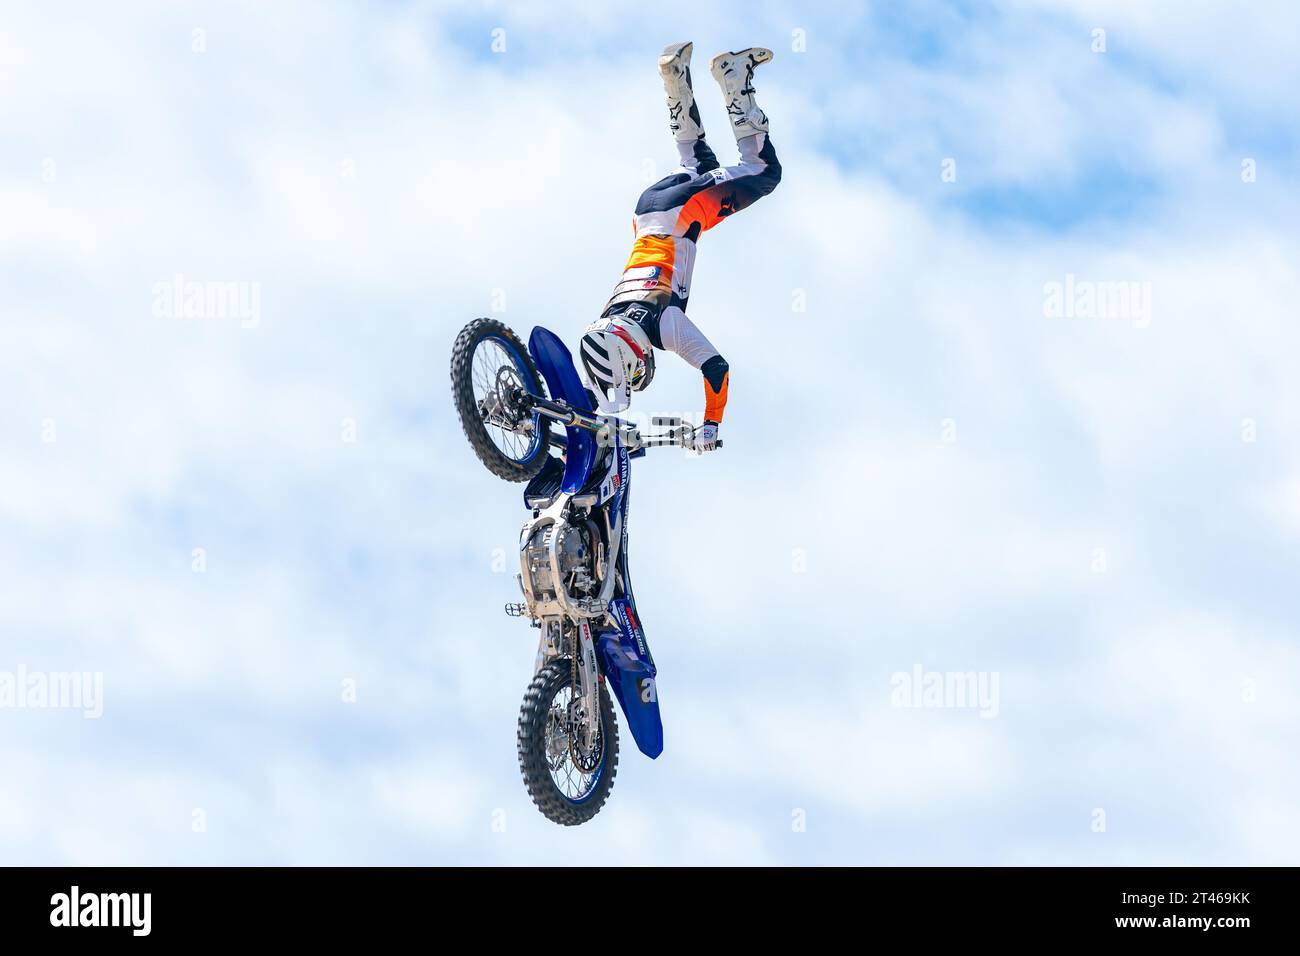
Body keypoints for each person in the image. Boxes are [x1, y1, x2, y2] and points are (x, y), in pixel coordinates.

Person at [577, 42, 782, 453]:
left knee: (763, 171)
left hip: (677, 213)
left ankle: (734, 77)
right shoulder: (609, 314)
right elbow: (602, 390)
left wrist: (710, 424)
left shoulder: (663, 324)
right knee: (699, 164)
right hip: (645, 212)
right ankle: (675, 78)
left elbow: (716, 368)